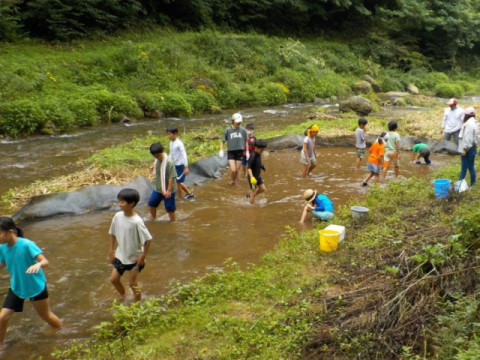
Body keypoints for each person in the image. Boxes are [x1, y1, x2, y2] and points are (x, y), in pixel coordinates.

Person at [0, 216, 62, 346]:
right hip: (16, 287)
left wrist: (38, 265)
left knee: (46, 315)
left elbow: (45, 261)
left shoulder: (27, 244)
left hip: (35, 287)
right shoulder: (3, 247)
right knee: (2, 318)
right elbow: (3, 262)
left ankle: (60, 330)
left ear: (10, 232)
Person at [109, 189, 152, 303]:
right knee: (113, 279)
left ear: (131, 203)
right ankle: (124, 297)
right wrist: (111, 251)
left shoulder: (136, 222)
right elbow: (112, 234)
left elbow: (148, 240)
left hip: (135, 259)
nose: (119, 204)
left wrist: (143, 256)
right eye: (119, 201)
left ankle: (137, 304)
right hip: (120, 256)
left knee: (132, 283)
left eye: (122, 202)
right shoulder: (117, 216)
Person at [147, 142, 177, 222]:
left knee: (170, 208)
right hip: (158, 188)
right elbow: (155, 166)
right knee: (151, 204)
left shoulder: (169, 162)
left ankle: (173, 223)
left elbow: (172, 177)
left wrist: (169, 190)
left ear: (163, 151)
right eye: (156, 156)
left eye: (159, 156)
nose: (158, 158)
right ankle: (153, 219)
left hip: (168, 189)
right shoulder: (157, 160)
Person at [166, 126, 194, 200]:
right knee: (177, 181)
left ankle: (179, 199)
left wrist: (186, 167)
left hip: (180, 165)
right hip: (175, 164)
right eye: (168, 134)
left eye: (170, 134)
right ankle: (189, 193)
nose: (168, 136)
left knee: (178, 182)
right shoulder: (171, 143)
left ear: (175, 134)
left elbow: (184, 154)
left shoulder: (179, 143)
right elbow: (171, 153)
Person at [219, 113, 248, 185]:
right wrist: (221, 150)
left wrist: (247, 151)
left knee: (238, 170)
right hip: (231, 152)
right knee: (233, 170)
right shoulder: (228, 130)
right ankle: (232, 181)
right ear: (233, 121)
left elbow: (246, 141)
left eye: (240, 122)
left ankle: (236, 183)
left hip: (240, 151)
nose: (239, 123)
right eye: (237, 121)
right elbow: (222, 141)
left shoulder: (243, 130)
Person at [458, 107, 478, 186]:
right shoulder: (472, 122)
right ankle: (460, 185)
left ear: (467, 115)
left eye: (464, 114)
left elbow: (468, 138)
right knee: (465, 168)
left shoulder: (469, 124)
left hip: (468, 149)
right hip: (470, 148)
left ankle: (471, 185)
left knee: (469, 168)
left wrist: (464, 149)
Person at [246, 139, 267, 204]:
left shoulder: (259, 155)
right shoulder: (253, 156)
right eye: (261, 149)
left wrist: (262, 166)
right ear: (256, 148)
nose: (262, 151)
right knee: (253, 191)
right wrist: (252, 177)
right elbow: (249, 167)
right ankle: (251, 207)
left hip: (257, 176)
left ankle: (250, 195)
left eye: (263, 149)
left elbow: (258, 162)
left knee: (263, 189)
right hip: (252, 178)